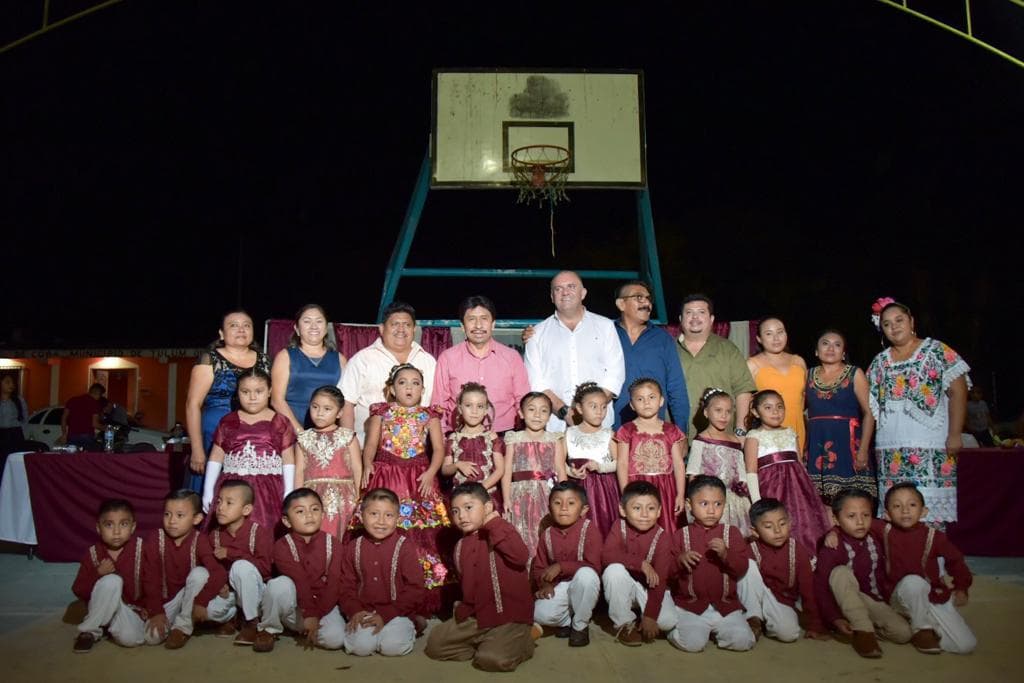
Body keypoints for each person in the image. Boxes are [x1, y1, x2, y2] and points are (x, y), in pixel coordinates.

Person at [868, 300, 971, 528]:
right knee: (896, 510)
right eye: (887, 324)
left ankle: (934, 562)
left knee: (928, 510)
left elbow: (958, 391)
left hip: (930, 444)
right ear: (881, 329)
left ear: (911, 321)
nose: (894, 327)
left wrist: (955, 433)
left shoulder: (936, 350)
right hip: (890, 448)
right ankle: (902, 561)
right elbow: (870, 407)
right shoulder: (879, 362)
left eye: (899, 320)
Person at [359, 363, 450, 598]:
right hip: (386, 475)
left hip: (419, 477)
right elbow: (371, 444)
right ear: (391, 389)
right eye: (402, 382)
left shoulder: (429, 416)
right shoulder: (382, 412)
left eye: (415, 383)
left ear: (422, 389)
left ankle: (422, 588)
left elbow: (439, 449)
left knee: (422, 532)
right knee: (387, 522)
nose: (409, 387)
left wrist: (430, 473)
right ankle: (386, 584)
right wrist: (368, 463)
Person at [425, 482, 536, 672]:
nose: (462, 516)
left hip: (508, 617)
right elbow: (468, 584)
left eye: (468, 508)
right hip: (477, 618)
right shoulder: (461, 545)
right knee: (435, 644)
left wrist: (493, 523)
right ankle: (487, 643)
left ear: (488, 507)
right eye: (456, 511)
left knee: (492, 660)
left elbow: (521, 556)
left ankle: (524, 640)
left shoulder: (502, 530)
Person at [878, 483, 976, 654]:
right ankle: (921, 629)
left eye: (912, 505)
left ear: (924, 511)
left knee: (966, 645)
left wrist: (962, 587)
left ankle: (926, 624)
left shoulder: (935, 536)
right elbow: (855, 524)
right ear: (886, 514)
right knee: (914, 582)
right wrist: (834, 532)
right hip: (899, 597)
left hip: (931, 595)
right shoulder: (883, 530)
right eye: (897, 506)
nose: (905, 510)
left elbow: (956, 561)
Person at [814, 489, 911, 658]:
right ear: (836, 519)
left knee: (903, 634)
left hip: (871, 599)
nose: (860, 522)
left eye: (866, 515)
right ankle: (863, 630)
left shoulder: (875, 535)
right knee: (840, 572)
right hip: (843, 601)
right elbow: (820, 586)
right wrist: (834, 618)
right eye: (851, 516)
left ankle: (863, 628)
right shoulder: (832, 546)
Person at [524, 270, 625, 432]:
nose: (565, 292)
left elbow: (615, 374)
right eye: (558, 289)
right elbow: (536, 382)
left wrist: (590, 411)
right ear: (552, 296)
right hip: (554, 428)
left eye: (571, 286)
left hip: (599, 426)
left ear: (583, 293)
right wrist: (566, 413)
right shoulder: (536, 333)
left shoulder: (605, 326)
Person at [184, 310, 271, 492]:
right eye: (234, 325)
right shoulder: (210, 359)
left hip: (252, 437)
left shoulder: (264, 360)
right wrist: (197, 449)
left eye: (246, 325)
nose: (241, 330)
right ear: (222, 334)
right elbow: (193, 404)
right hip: (213, 434)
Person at [667, 475, 754, 653]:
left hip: (725, 607)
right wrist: (679, 561)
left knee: (743, 642)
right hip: (690, 607)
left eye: (718, 504)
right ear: (690, 505)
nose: (712, 510)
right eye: (704, 504)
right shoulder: (680, 535)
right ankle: (678, 630)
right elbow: (667, 573)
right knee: (693, 644)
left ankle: (719, 631)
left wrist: (725, 554)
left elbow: (742, 568)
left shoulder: (732, 533)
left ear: (724, 504)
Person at [202, 368, 297, 530]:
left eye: (259, 391)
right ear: (237, 392)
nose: (252, 397)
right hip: (231, 487)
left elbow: (288, 460)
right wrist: (208, 491)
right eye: (245, 392)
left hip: (269, 489)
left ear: (269, 391)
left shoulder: (281, 422)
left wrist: (289, 493)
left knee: (264, 531)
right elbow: (216, 456)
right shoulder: (228, 421)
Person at [339, 488, 428, 657]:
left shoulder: (404, 547)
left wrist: (387, 614)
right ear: (361, 516)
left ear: (397, 518)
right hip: (365, 612)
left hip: (398, 612)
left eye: (388, 515)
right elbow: (346, 585)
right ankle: (376, 634)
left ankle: (414, 624)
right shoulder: (353, 547)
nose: (381, 521)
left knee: (391, 648)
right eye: (374, 514)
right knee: (360, 648)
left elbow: (415, 588)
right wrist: (354, 610)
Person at [255, 488, 344, 652]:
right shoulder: (282, 546)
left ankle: (302, 628)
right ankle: (269, 628)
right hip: (295, 605)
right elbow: (299, 580)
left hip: (323, 606)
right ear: (287, 521)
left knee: (335, 640)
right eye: (300, 511)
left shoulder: (334, 544)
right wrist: (309, 613)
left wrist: (317, 615)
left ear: (323, 514)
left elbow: (334, 584)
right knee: (279, 585)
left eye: (315, 509)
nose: (309, 515)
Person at [743, 390, 831, 553]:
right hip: (771, 489)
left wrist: (809, 492)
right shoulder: (754, 436)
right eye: (768, 408)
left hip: (799, 491)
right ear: (755, 412)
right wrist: (757, 502)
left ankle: (806, 558)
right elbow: (751, 471)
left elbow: (800, 464)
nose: (775, 412)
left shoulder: (790, 432)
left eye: (779, 407)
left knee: (803, 522)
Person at [141, 489, 229, 649]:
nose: (172, 521)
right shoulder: (156, 538)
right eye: (167, 514)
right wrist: (156, 611)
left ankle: (182, 628)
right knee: (151, 638)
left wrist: (201, 602)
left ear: (196, 519)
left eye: (180, 515)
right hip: (168, 601)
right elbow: (150, 577)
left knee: (200, 573)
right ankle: (186, 621)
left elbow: (219, 572)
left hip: (193, 596)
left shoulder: (200, 539)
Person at [340, 301, 437, 444]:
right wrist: (348, 444)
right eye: (395, 324)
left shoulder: (428, 361)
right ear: (381, 328)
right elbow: (346, 402)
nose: (401, 329)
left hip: (418, 451)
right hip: (367, 448)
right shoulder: (362, 359)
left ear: (414, 329)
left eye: (407, 325)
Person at [432, 295, 531, 434]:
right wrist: (442, 441)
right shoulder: (447, 358)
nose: (478, 325)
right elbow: (439, 405)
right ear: (462, 326)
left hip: (505, 435)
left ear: (493, 324)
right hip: (459, 436)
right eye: (471, 319)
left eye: (484, 319)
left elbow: (523, 401)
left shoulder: (512, 357)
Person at [737, 498, 828, 643]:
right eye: (768, 526)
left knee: (789, 634)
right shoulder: (749, 547)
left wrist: (814, 623)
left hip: (780, 600)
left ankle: (766, 621)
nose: (778, 531)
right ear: (755, 531)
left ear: (790, 523)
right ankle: (753, 618)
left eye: (782, 524)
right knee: (747, 565)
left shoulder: (797, 549)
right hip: (752, 599)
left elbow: (808, 589)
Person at [601, 481, 677, 646]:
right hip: (624, 586)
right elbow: (606, 556)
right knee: (613, 570)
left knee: (667, 622)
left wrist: (650, 616)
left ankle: (642, 615)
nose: (644, 514)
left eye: (650, 508)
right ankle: (624, 623)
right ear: (622, 510)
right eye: (636, 508)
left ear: (659, 511)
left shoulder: (662, 537)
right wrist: (640, 563)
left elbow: (660, 580)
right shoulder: (618, 526)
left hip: (648, 589)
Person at [805, 329, 876, 502]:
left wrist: (863, 450)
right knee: (821, 504)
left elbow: (869, 413)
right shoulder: (807, 374)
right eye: (825, 343)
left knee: (852, 501)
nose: (831, 348)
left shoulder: (855, 374)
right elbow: (802, 412)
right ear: (816, 351)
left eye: (837, 345)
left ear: (843, 353)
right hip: (817, 445)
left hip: (848, 444)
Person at [675, 294, 756, 441]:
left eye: (701, 312)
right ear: (681, 320)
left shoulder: (728, 349)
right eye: (689, 312)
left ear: (711, 319)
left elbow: (743, 390)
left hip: (721, 439)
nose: (694, 317)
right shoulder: (668, 349)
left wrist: (741, 431)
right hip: (676, 439)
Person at [532, 481, 603, 647]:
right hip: (561, 586)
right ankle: (566, 621)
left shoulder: (589, 529)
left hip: (585, 585)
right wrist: (545, 584)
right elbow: (539, 567)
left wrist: (561, 566)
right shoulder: (547, 534)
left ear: (583, 510)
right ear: (550, 508)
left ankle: (580, 625)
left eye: (571, 503)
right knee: (538, 614)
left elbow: (594, 567)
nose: (564, 507)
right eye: (557, 503)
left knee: (586, 575)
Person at [612, 280, 689, 429]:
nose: (647, 303)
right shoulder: (605, 334)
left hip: (651, 434)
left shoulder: (663, 339)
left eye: (648, 299)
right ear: (621, 304)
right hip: (609, 432)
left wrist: (680, 433)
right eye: (639, 297)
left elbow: (676, 388)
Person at [71, 499, 146, 652]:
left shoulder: (142, 549)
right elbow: (79, 590)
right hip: (99, 606)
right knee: (112, 581)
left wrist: (150, 606)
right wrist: (97, 573)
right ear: (99, 528)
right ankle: (89, 631)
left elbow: (153, 582)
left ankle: (109, 624)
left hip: (128, 610)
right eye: (109, 525)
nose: (117, 532)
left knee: (132, 639)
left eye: (123, 524)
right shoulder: (93, 553)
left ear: (133, 527)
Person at [501, 392, 567, 564]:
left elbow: (560, 469)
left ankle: (545, 572)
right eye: (531, 409)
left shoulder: (554, 439)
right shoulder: (513, 439)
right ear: (521, 413)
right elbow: (507, 470)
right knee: (522, 531)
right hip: (519, 495)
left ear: (550, 415)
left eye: (544, 411)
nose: (537, 415)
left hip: (547, 494)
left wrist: (564, 497)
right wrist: (506, 499)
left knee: (544, 532)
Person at [207, 479, 274, 646]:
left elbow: (265, 569)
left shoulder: (258, 532)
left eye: (229, 503)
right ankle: (233, 618)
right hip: (230, 593)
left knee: (241, 567)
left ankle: (251, 622)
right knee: (208, 611)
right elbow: (212, 568)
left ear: (246, 509)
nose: (221, 507)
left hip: (257, 591)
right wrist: (220, 584)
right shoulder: (214, 535)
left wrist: (231, 553)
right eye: (219, 501)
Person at [614, 378, 687, 533]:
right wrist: (626, 493)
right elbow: (622, 464)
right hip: (637, 485)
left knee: (667, 526)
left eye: (651, 397)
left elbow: (679, 464)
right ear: (632, 405)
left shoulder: (671, 430)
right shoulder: (627, 430)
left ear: (661, 401)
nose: (646, 402)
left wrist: (680, 494)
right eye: (640, 399)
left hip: (665, 488)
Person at [295, 385, 361, 539]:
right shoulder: (303, 439)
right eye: (315, 407)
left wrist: (359, 498)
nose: (319, 413)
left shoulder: (348, 437)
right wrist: (297, 500)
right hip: (313, 499)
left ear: (339, 413)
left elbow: (357, 469)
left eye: (327, 409)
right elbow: (299, 471)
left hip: (345, 500)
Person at [271, 303, 347, 433]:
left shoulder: (340, 359)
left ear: (325, 327)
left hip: (328, 432)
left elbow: (346, 402)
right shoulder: (285, 356)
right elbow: (277, 400)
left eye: (319, 321)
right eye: (307, 321)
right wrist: (299, 432)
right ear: (297, 328)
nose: (314, 326)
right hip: (291, 429)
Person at [686, 388, 751, 536]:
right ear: (706, 412)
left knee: (735, 538)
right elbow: (694, 474)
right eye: (718, 410)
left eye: (728, 412)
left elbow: (741, 473)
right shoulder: (701, 440)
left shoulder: (735, 440)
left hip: (735, 502)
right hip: (710, 500)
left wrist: (745, 492)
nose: (724, 416)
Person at [564, 382, 619, 539]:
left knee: (605, 523)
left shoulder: (609, 434)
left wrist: (600, 467)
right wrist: (571, 471)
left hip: (604, 490)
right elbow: (559, 463)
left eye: (603, 407)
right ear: (580, 409)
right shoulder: (569, 433)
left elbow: (619, 463)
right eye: (593, 406)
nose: (599, 412)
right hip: (578, 488)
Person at [747, 317, 808, 454]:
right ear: (759, 339)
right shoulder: (752, 364)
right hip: (767, 434)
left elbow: (803, 399)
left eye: (780, 332)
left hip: (797, 428)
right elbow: (746, 403)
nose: (776, 338)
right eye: (769, 333)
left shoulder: (798, 362)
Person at [441, 382, 505, 509]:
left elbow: (500, 470)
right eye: (468, 405)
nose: (474, 411)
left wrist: (480, 489)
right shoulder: (453, 438)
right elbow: (445, 469)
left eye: (480, 406)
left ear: (486, 410)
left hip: (486, 496)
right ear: (459, 408)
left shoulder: (491, 437)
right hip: (461, 499)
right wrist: (457, 465)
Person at [62, 383, 105, 450]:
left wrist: (64, 434)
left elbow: (63, 418)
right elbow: (95, 424)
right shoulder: (94, 403)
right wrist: (107, 429)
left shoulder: (72, 400)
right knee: (85, 458)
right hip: (86, 436)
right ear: (99, 394)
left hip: (72, 435)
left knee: (72, 458)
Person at [0, 372, 28, 463]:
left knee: (14, 461)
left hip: (15, 434)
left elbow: (25, 417)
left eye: (12, 382)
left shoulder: (18, 399)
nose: (11, 385)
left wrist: (22, 433)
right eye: (7, 382)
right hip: (1, 434)